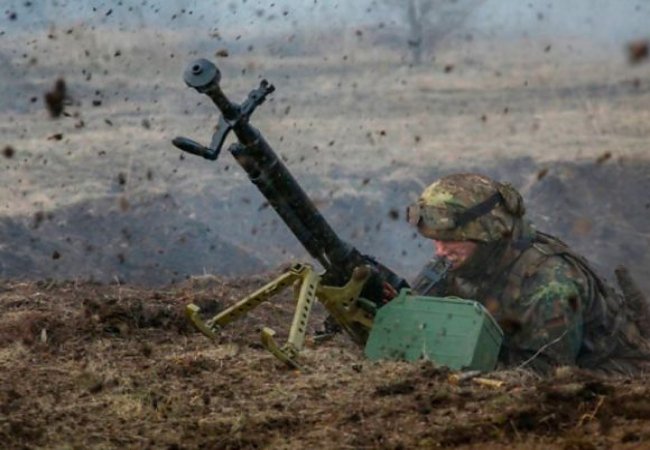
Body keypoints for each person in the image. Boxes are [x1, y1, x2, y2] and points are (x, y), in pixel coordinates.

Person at [404, 173, 650, 375]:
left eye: (451, 240)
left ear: (488, 234)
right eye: (436, 240)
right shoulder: (463, 261)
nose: (440, 251)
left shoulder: (550, 283)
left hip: (612, 373)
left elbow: (543, 373)